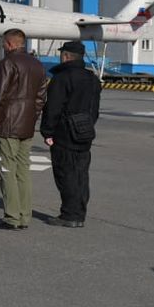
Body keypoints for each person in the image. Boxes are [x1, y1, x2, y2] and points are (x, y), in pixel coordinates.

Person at [0, 28, 48, 230]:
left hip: (8, 125)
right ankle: (24, 216)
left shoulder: (8, 63)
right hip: (27, 125)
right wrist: (31, 117)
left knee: (7, 170)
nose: (3, 46)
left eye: (4, 43)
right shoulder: (37, 64)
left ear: (10, 44)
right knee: (23, 171)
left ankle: (11, 217)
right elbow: (40, 98)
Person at [40, 40, 101, 227]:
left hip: (65, 133)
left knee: (66, 173)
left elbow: (53, 108)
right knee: (81, 174)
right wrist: (87, 125)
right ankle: (79, 212)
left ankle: (69, 215)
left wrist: (47, 131)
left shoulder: (62, 78)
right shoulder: (92, 78)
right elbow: (95, 109)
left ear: (65, 56)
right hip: (85, 131)